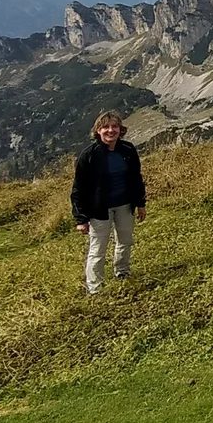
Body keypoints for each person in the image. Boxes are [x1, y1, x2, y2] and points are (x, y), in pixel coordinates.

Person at [70, 110, 147, 295]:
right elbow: (78, 189)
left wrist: (140, 203)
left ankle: (122, 272)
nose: (111, 130)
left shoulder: (128, 150)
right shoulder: (89, 155)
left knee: (125, 241)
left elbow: (136, 178)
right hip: (99, 209)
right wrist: (81, 219)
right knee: (98, 249)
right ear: (98, 131)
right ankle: (95, 288)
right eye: (106, 127)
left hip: (125, 205)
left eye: (115, 126)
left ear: (121, 129)